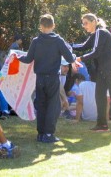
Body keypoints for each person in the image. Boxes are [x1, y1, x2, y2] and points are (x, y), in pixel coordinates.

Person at [17, 14, 77, 143]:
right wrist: (73, 57)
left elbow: (27, 59)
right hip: (52, 78)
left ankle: (41, 133)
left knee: (41, 105)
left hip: (39, 78)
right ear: (53, 25)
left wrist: (17, 57)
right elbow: (70, 58)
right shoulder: (58, 41)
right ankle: (49, 134)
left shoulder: (36, 41)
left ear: (41, 27)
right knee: (53, 106)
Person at [73, 13, 111, 135]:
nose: (84, 26)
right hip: (102, 70)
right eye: (83, 23)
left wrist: (80, 59)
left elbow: (96, 52)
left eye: (85, 23)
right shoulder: (95, 35)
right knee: (99, 96)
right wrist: (67, 46)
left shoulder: (101, 32)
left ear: (93, 22)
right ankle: (102, 124)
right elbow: (83, 46)